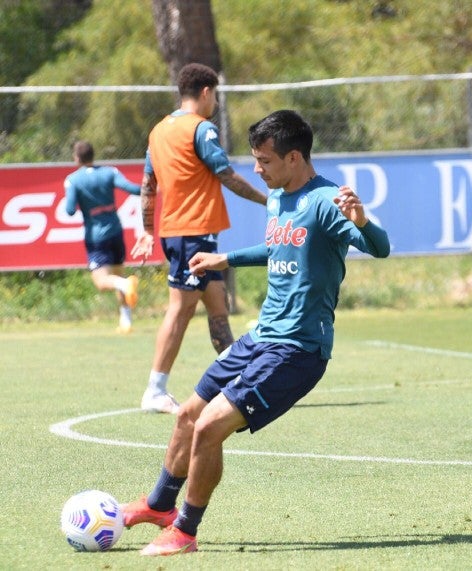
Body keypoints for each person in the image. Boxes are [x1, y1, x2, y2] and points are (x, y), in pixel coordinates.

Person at [121, 109, 390, 556]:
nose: (256, 170)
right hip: (260, 338)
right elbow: (278, 246)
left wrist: (361, 220)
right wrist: (224, 260)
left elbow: (379, 248)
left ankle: (184, 532)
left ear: (294, 157)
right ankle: (159, 505)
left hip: (298, 351)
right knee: (188, 414)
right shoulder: (278, 199)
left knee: (209, 428)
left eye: (264, 161)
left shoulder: (327, 201)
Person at [131, 63, 268, 414]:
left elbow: (149, 186)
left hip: (187, 234)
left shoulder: (159, 130)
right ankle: (155, 390)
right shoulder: (201, 129)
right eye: (216, 96)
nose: (217, 104)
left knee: (218, 306)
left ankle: (238, 380)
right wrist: (270, 200)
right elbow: (225, 175)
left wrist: (148, 230)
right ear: (206, 92)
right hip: (191, 233)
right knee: (181, 309)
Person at [64, 140, 141, 333]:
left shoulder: (73, 180)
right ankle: (126, 322)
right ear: (92, 155)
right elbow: (133, 189)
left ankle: (125, 285)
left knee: (102, 281)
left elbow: (70, 210)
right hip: (116, 232)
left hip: (96, 237)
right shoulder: (110, 172)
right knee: (118, 275)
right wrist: (151, 189)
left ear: (76, 158)